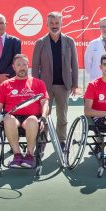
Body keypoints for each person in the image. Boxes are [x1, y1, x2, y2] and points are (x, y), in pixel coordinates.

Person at [0, 54, 50, 169]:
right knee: (7, 119)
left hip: (32, 117)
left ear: (28, 66)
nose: (22, 67)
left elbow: (45, 103)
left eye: (24, 64)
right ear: (13, 67)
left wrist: (43, 117)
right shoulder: (5, 84)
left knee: (33, 120)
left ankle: (29, 155)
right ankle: (17, 155)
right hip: (13, 117)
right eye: (18, 65)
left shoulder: (39, 83)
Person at [32, 11, 79, 151]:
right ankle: (41, 141)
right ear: (47, 25)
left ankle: (62, 141)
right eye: (51, 23)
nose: (54, 26)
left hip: (64, 85)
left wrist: (75, 84)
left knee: (62, 116)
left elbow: (74, 64)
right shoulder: (40, 43)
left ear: (61, 24)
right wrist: (35, 86)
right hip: (44, 87)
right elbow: (35, 67)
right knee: (44, 114)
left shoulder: (70, 41)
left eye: (57, 23)